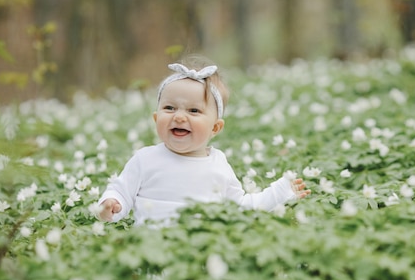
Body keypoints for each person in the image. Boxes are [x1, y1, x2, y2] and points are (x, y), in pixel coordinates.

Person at [97, 55, 310, 225]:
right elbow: (121, 190)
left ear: (215, 127)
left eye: (194, 110)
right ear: (156, 118)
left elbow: (240, 207)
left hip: (202, 254)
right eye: (169, 108)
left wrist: (279, 193)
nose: (179, 116)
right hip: (151, 253)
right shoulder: (145, 159)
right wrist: (112, 204)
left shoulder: (218, 165)